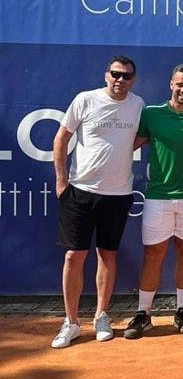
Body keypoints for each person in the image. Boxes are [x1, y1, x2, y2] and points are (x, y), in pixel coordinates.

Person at [51, 56, 144, 348]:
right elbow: (61, 139)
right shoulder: (85, 100)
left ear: (133, 80)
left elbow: (137, 139)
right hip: (80, 191)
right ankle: (71, 322)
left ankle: (101, 315)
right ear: (106, 75)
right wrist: (61, 180)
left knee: (108, 255)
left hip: (118, 194)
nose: (120, 80)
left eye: (126, 76)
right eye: (116, 74)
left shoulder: (138, 105)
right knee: (73, 257)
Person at [124, 64, 183, 339]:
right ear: (170, 84)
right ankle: (144, 313)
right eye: (179, 84)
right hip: (158, 196)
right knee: (154, 254)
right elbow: (130, 144)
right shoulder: (152, 114)